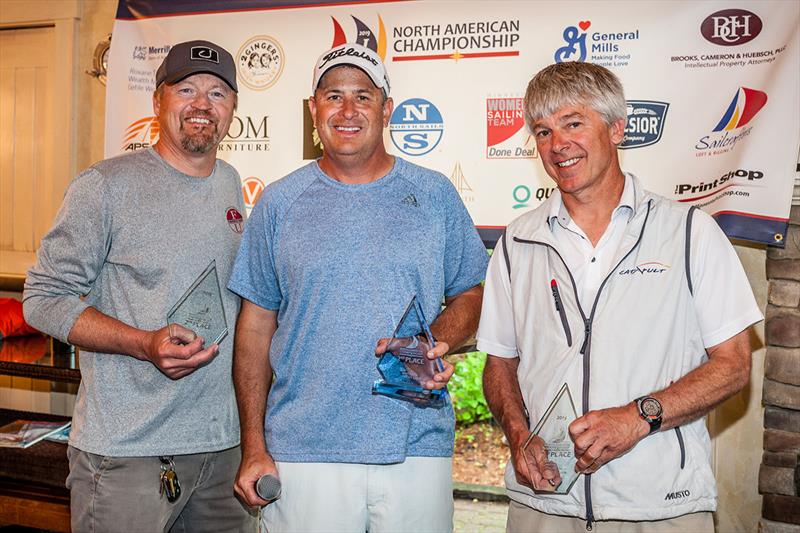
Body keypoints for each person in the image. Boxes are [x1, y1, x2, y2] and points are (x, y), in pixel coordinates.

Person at [478, 61, 762, 532]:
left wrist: (638, 417)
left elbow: (734, 364)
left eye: (573, 123)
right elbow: (500, 363)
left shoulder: (689, 231)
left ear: (616, 128)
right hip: (543, 504)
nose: (557, 145)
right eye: (544, 131)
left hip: (660, 506)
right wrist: (517, 434)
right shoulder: (517, 240)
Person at [228, 42, 488, 532]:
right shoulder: (279, 203)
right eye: (333, 96)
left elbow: (470, 291)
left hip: (416, 444)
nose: (347, 111)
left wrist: (431, 342)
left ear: (386, 109)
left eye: (363, 97)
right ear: (314, 109)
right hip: (303, 450)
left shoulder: (434, 194)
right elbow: (255, 328)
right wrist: (255, 445)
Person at [23, 40, 256, 533]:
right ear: (157, 101)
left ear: (233, 108)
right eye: (186, 88)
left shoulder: (232, 183)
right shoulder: (105, 185)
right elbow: (43, 298)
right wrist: (143, 343)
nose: (202, 104)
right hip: (127, 454)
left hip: (221, 449)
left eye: (217, 93)